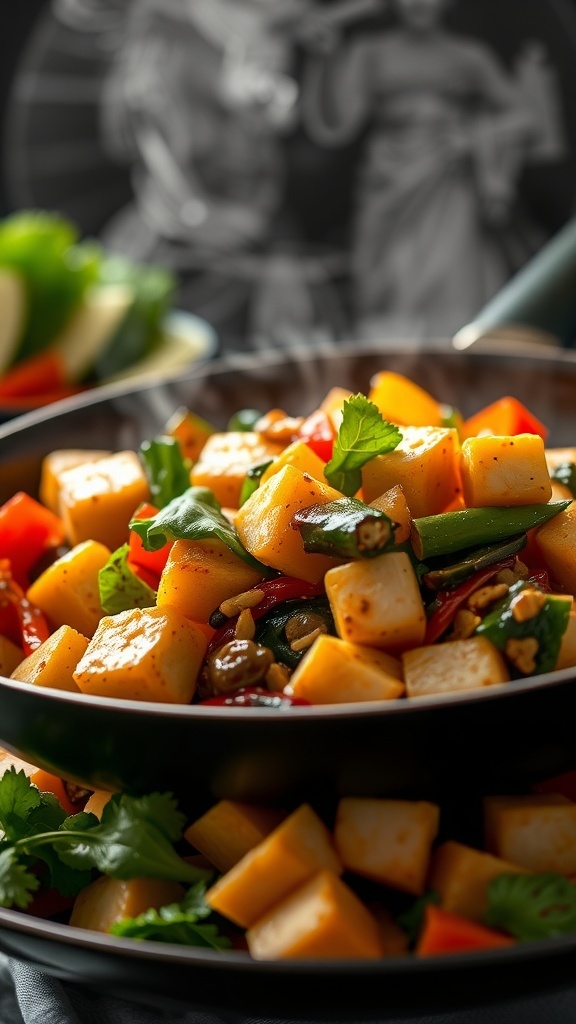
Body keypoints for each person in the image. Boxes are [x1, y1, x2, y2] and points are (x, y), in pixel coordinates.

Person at [300, 0, 551, 339]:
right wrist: (325, 57)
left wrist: (474, 137)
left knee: (450, 282)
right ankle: (387, 375)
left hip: (447, 182)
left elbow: (527, 117)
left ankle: (454, 371)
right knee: (387, 284)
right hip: (388, 180)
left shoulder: (469, 55)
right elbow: (337, 125)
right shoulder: (370, 51)